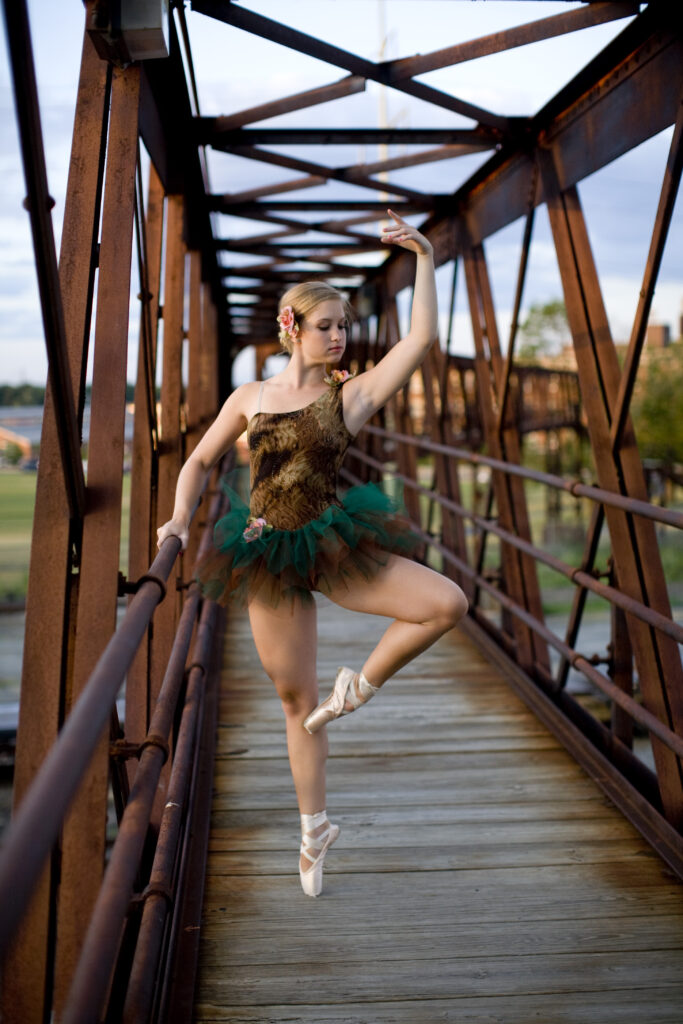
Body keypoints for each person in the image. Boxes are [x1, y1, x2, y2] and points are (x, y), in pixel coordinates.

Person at [156, 210, 468, 897]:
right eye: (326, 325)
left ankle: (359, 687)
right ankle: (314, 830)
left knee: (446, 601)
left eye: (345, 326)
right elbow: (201, 461)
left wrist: (423, 254)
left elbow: (421, 339)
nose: (338, 336)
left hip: (333, 545)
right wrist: (179, 517)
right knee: (294, 700)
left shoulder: (349, 395)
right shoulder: (250, 397)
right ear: (292, 326)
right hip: (264, 553)